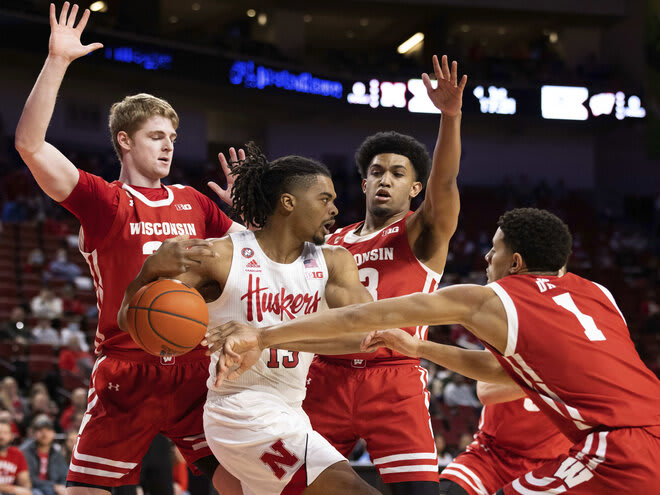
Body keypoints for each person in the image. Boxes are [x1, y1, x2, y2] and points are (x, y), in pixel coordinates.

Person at [215, 207, 660, 493]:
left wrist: (266, 335)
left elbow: (362, 317)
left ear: (515, 263)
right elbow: (502, 373)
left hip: (617, 450)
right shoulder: (599, 294)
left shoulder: (490, 299)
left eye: (494, 249)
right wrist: (420, 346)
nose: (487, 258)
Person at [14, 4, 243, 493]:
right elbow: (31, 145)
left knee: (241, 480)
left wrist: (250, 214)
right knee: (85, 490)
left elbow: (256, 259)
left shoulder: (196, 202)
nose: (168, 146)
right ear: (124, 140)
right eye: (156, 136)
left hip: (193, 365)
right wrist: (57, 61)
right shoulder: (104, 201)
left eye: (173, 138)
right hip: (128, 367)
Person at [118, 144, 379, 495]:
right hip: (239, 410)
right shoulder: (218, 255)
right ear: (288, 202)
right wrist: (149, 271)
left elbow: (364, 337)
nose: (334, 209)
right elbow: (128, 318)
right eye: (323, 199)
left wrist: (264, 336)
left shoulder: (333, 261)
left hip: (291, 410)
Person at [296, 54, 467, 495]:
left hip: (393, 376)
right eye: (376, 173)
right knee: (289, 486)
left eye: (397, 173)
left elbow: (444, 184)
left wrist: (450, 117)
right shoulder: (333, 242)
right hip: (327, 376)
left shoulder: (422, 232)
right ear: (364, 183)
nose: (385, 179)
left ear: (414, 188)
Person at [439, 381, 572, 495]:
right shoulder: (508, 350)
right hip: (491, 456)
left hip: (551, 469)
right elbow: (486, 392)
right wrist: (547, 377)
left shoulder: (586, 359)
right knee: (448, 490)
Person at [20, 415, 68, 495]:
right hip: (34, 489)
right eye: (40, 430)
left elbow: (64, 476)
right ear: (34, 433)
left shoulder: (57, 454)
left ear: (53, 433)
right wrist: (54, 486)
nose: (44, 434)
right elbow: (28, 479)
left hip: (53, 490)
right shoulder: (25, 452)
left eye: (48, 430)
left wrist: (62, 487)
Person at [0, 418, 32, 495]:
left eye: (5, 433)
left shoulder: (17, 453)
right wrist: (12, 489)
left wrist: (25, 488)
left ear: (12, 436)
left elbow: (25, 481)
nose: (1, 436)